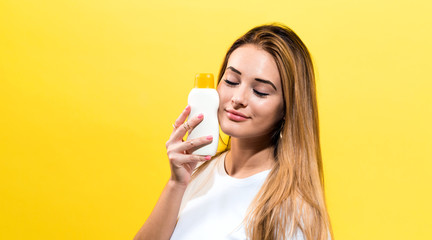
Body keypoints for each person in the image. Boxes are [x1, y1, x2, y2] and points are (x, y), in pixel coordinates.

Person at [134, 23, 333, 240]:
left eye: (260, 91)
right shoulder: (196, 173)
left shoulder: (295, 211)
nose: (237, 98)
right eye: (231, 81)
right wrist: (176, 184)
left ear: (288, 108)